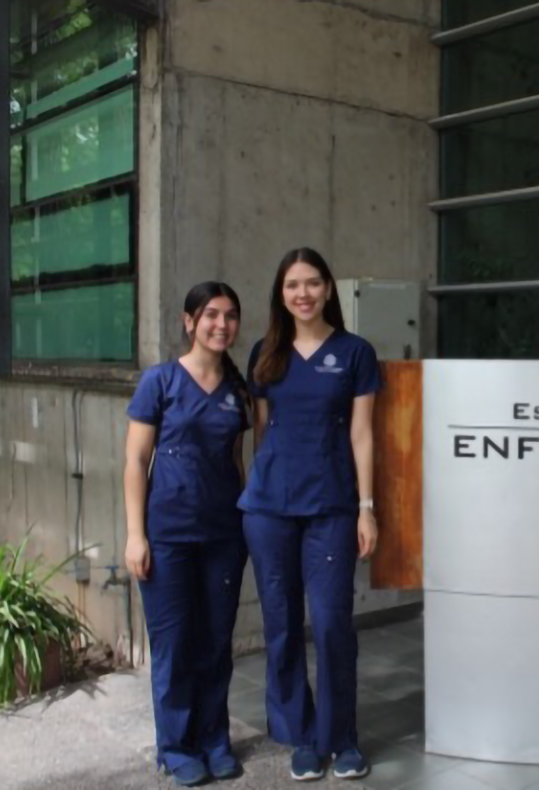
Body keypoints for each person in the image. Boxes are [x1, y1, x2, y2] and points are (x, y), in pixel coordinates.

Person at [239, 247, 380, 782]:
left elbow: (361, 435)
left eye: (313, 283)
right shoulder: (264, 352)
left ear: (328, 289)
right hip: (269, 510)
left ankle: (340, 737)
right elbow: (261, 431)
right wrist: (263, 485)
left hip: (332, 508)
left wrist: (366, 509)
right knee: (281, 624)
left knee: (331, 623)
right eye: (293, 284)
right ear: (281, 293)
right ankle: (301, 736)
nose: (303, 293)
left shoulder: (354, 352)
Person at [123, 282, 251, 786]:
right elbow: (135, 461)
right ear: (189, 321)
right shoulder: (160, 382)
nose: (222, 325)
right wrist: (137, 535)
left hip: (223, 536)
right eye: (212, 315)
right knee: (175, 644)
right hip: (167, 536)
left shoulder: (237, 391)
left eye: (231, 316)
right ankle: (176, 747)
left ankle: (214, 738)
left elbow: (237, 465)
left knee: (216, 642)